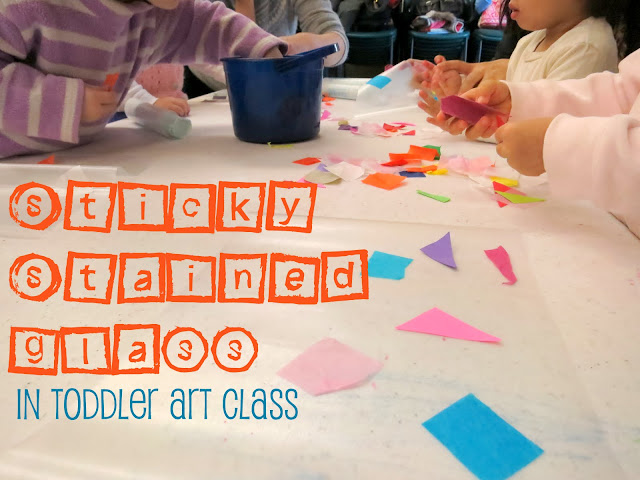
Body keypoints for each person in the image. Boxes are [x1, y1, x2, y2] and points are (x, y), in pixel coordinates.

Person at [0, 0, 288, 158]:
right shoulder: (31, 5)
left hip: (71, 167)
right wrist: (62, 103)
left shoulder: (151, 13)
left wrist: (264, 48)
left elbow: (206, 24)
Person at [429, 32, 640, 236]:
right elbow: (624, 94)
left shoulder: (587, 45)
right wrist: (518, 103)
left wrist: (557, 144)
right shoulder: (527, 42)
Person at [417, 0, 623, 119]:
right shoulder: (528, 42)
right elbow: (506, 114)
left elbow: (542, 134)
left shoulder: (586, 47)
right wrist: (458, 105)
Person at [185, 0, 348, 96]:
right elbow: (243, 74)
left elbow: (339, 44)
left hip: (281, 90)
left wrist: (302, 45)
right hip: (205, 93)